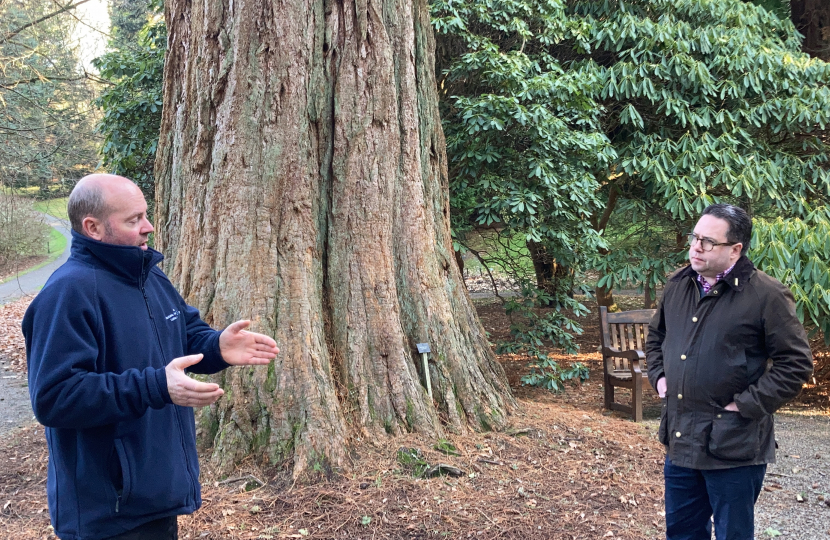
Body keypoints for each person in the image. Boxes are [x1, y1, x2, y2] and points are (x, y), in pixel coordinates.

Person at [22, 174, 280, 540]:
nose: (149, 227)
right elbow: (55, 397)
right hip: (107, 513)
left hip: (154, 496)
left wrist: (216, 346)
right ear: (93, 227)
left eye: (145, 215)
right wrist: (156, 385)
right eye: (133, 220)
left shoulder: (148, 277)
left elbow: (186, 334)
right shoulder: (67, 294)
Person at [646, 203, 813, 540]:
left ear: (736, 249)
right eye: (695, 238)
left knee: (732, 534)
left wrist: (746, 405)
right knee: (681, 533)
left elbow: (795, 364)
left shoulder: (767, 295)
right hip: (681, 439)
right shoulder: (679, 284)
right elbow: (656, 337)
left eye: (708, 242)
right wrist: (660, 377)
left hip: (734, 445)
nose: (696, 247)